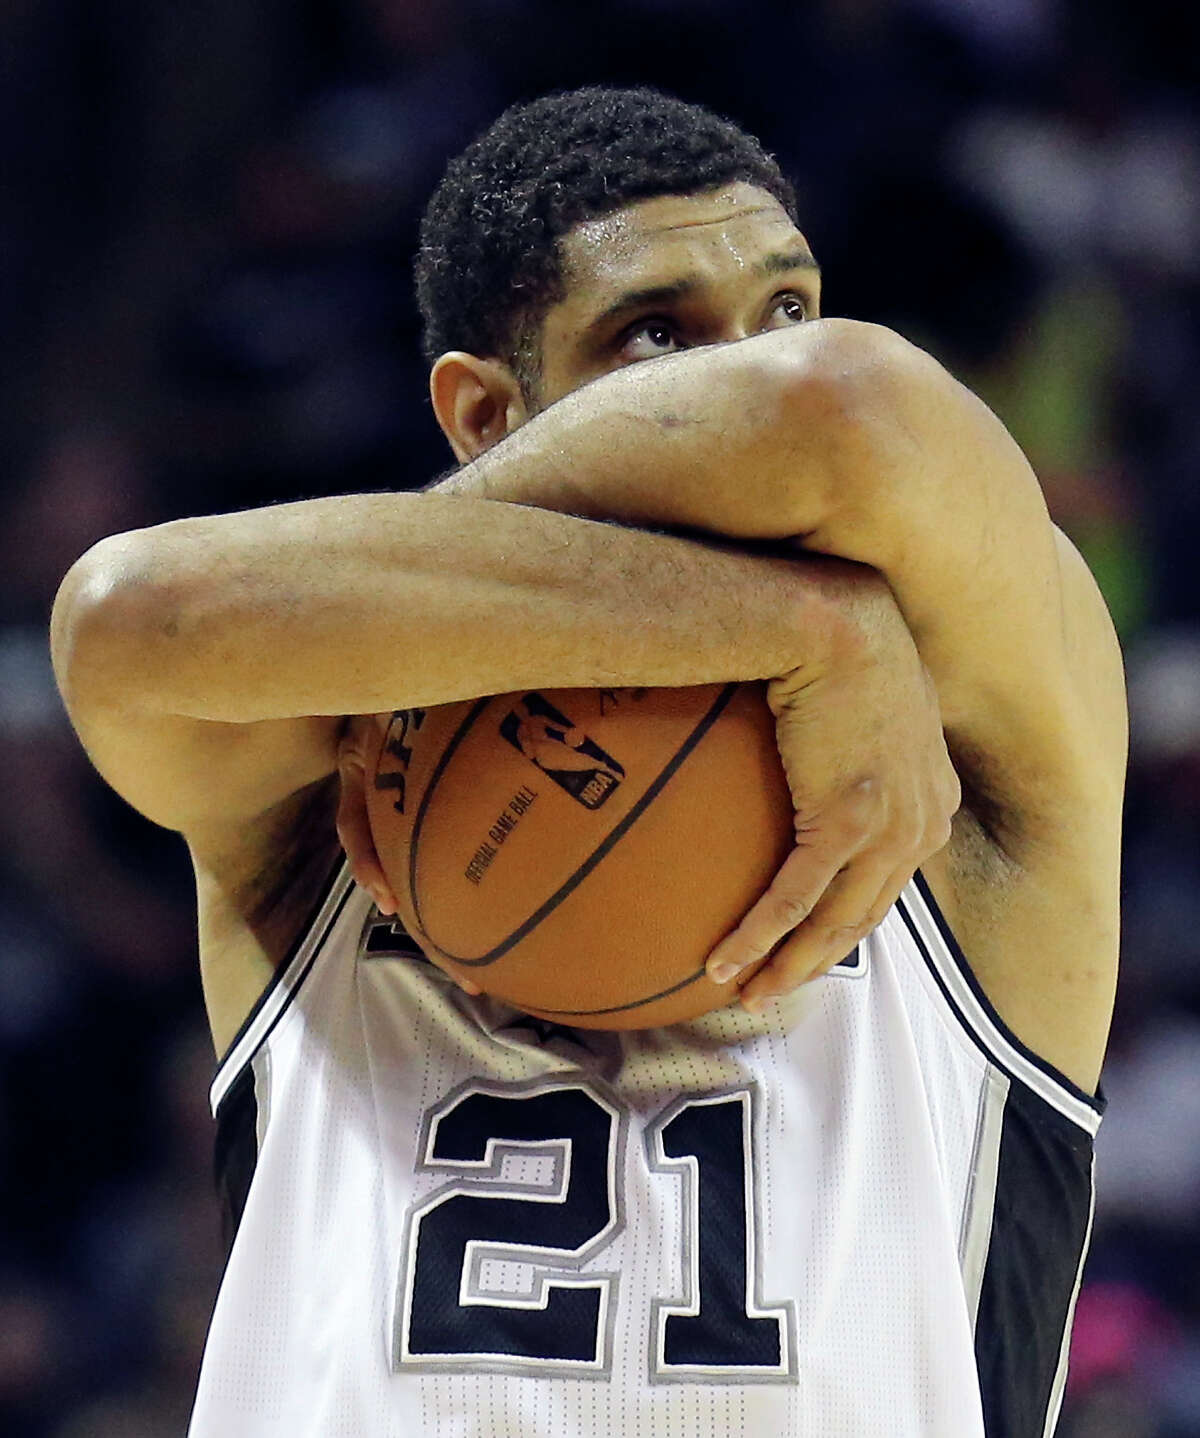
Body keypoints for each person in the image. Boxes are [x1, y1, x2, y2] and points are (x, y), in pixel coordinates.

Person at [50, 87, 1124, 1437]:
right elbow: (129, 620)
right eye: (658, 335)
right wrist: (792, 626)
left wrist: (814, 624)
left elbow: (842, 409)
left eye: (783, 305)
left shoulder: (980, 722)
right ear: (490, 415)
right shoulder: (334, 777)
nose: (741, 371)